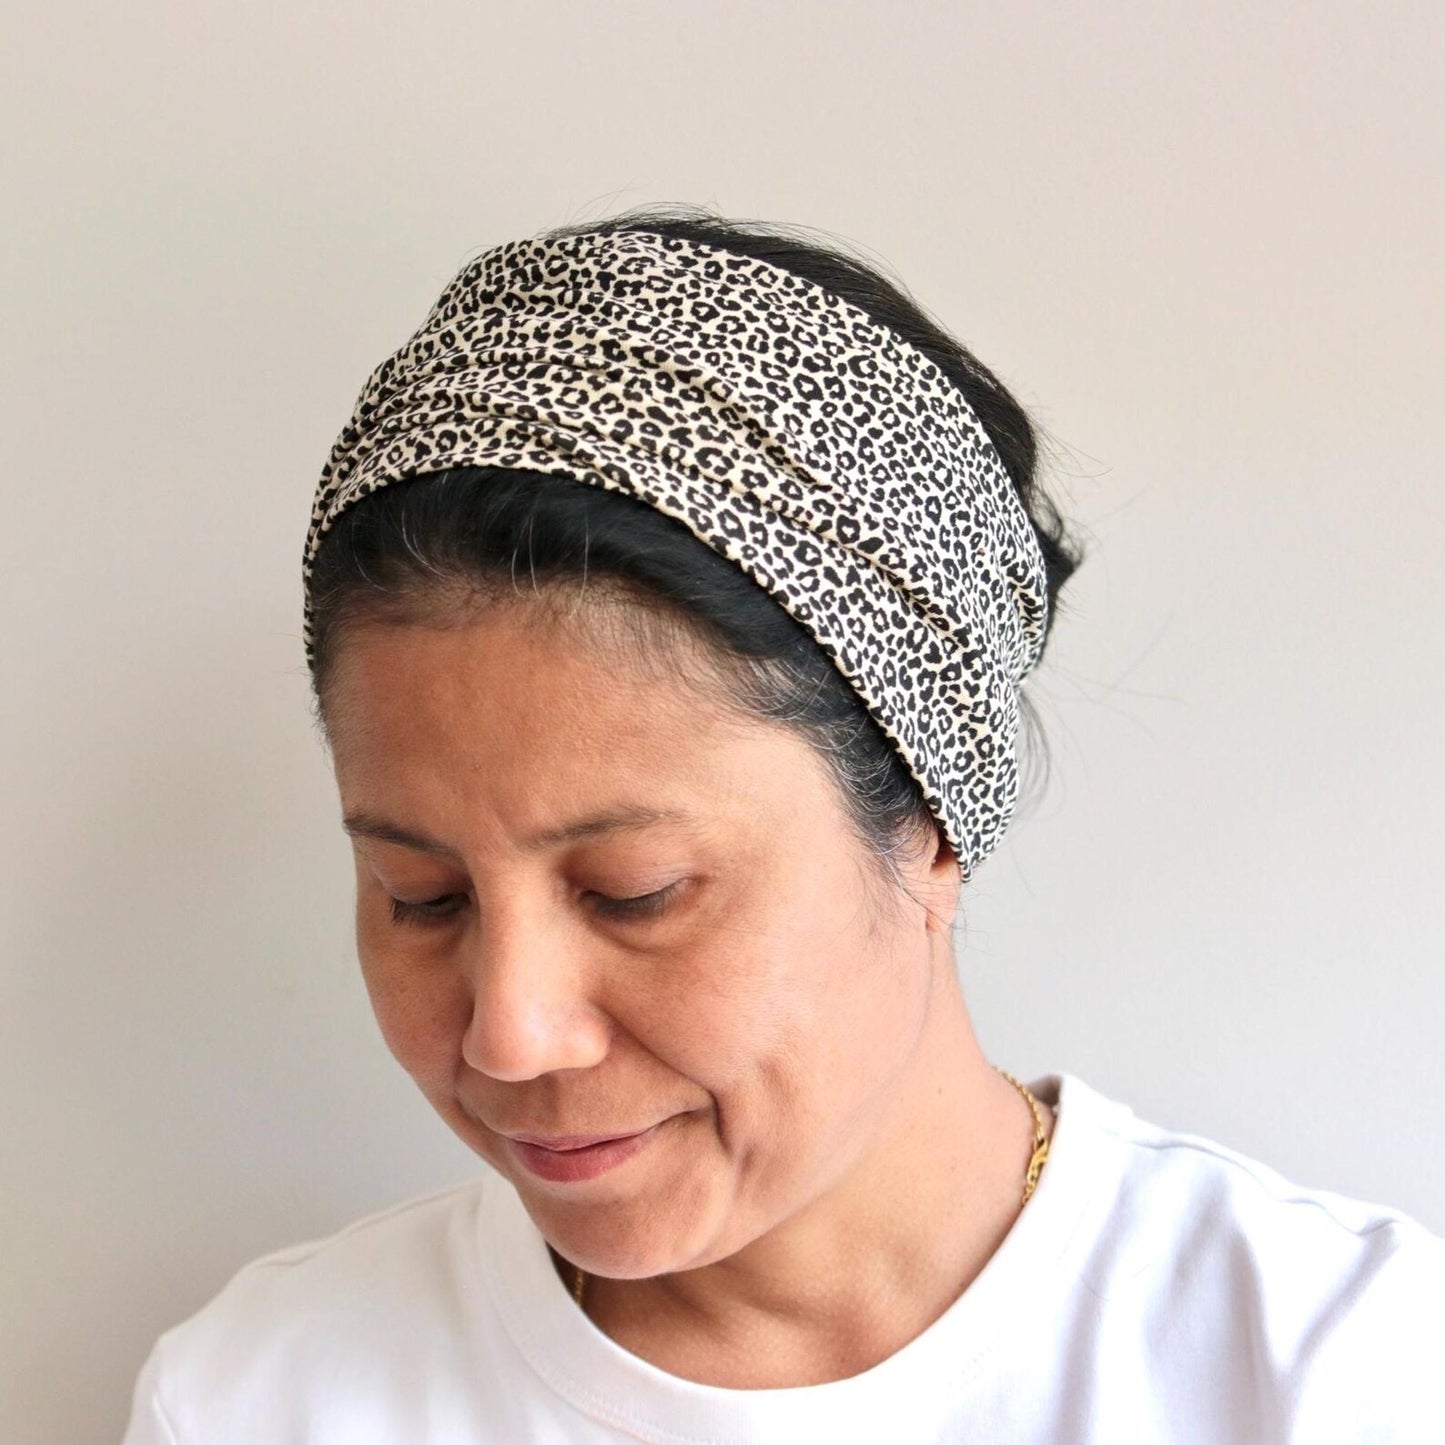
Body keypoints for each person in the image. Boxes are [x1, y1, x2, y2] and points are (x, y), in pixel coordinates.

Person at [123, 207, 1441, 1443]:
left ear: (926, 820)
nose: (507, 1032)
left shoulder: (1342, 1372)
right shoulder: (263, 1395)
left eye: (635, 890)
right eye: (421, 893)